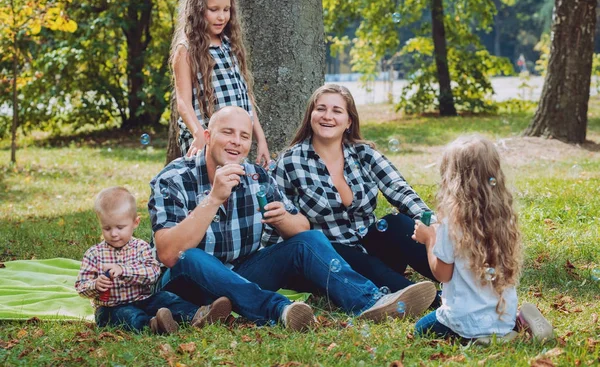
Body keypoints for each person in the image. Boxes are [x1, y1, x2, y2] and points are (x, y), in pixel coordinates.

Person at [148, 106, 437, 331]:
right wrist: (214, 199)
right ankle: (278, 309)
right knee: (193, 257)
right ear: (208, 137)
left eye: (244, 136)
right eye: (227, 133)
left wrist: (283, 218)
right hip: (186, 281)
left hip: (242, 273)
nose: (236, 142)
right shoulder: (174, 178)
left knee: (309, 240)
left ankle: (371, 301)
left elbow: (302, 229)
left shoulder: (256, 176)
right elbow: (169, 253)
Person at [265, 84, 437, 294]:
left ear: (348, 121)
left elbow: (400, 190)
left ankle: (459, 278)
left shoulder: (363, 153)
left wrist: (433, 225)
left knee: (397, 222)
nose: (327, 116)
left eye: (337, 111)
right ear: (311, 115)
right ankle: (425, 297)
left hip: (372, 252)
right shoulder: (291, 161)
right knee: (342, 253)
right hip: (328, 264)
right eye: (320, 109)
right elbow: (277, 222)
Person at [412, 136, 553, 341]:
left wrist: (430, 240)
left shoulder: (449, 223)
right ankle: (516, 323)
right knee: (495, 311)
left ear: (451, 178)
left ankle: (478, 337)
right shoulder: (502, 217)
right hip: (501, 315)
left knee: (421, 329)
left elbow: (442, 274)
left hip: (463, 320)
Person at [75, 186, 232, 334]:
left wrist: (125, 271)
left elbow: (153, 273)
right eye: (107, 228)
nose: (114, 234)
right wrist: (95, 285)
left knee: (166, 298)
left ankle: (198, 315)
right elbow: (81, 286)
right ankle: (154, 325)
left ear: (135, 223)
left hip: (144, 299)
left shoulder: (141, 248)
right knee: (127, 315)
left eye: (120, 227)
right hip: (111, 307)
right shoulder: (94, 254)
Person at [170, 0, 270, 165]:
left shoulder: (231, 46)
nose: (222, 16)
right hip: (206, 141)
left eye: (226, 9)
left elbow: (246, 98)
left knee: (234, 187)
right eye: (213, 9)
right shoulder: (187, 50)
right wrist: (198, 133)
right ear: (198, 10)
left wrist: (261, 139)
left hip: (235, 143)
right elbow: (183, 102)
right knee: (207, 190)